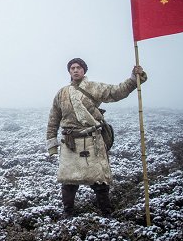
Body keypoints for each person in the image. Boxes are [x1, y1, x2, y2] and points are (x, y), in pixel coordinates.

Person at [46, 58, 147, 217]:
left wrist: (134, 79)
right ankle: (68, 214)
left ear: (84, 70)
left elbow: (116, 92)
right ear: (69, 71)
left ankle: (106, 214)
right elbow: (54, 118)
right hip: (70, 142)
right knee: (68, 182)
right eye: (72, 68)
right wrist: (52, 142)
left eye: (79, 67)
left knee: (100, 181)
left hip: (93, 140)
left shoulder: (94, 87)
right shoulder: (62, 93)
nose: (75, 70)